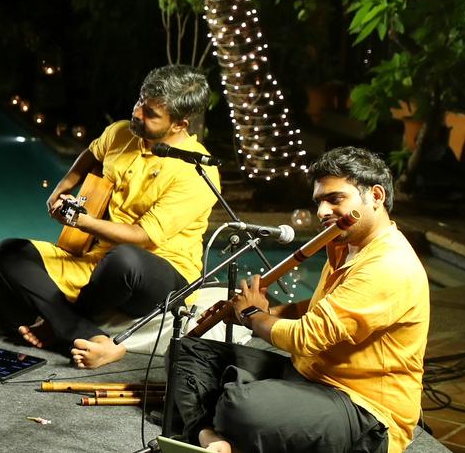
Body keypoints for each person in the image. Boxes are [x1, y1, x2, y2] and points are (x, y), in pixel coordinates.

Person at [172, 146, 429, 453]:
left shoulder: (389, 265)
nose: (322, 212)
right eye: (319, 201)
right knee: (187, 350)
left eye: (335, 199)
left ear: (375, 196)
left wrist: (252, 315)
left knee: (240, 407)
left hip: (364, 412)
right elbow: (321, 307)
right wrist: (266, 310)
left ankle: (222, 417)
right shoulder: (345, 246)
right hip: (308, 376)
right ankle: (209, 437)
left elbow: (307, 337)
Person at [0, 64, 218, 369]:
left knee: (126, 259)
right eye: (140, 102)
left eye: (151, 114)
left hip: (161, 275)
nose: (137, 113)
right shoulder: (122, 132)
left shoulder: (196, 173)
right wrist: (62, 188)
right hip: (100, 258)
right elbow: (91, 154)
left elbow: (143, 236)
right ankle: (87, 335)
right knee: (10, 251)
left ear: (179, 124)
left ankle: (57, 324)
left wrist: (81, 221)